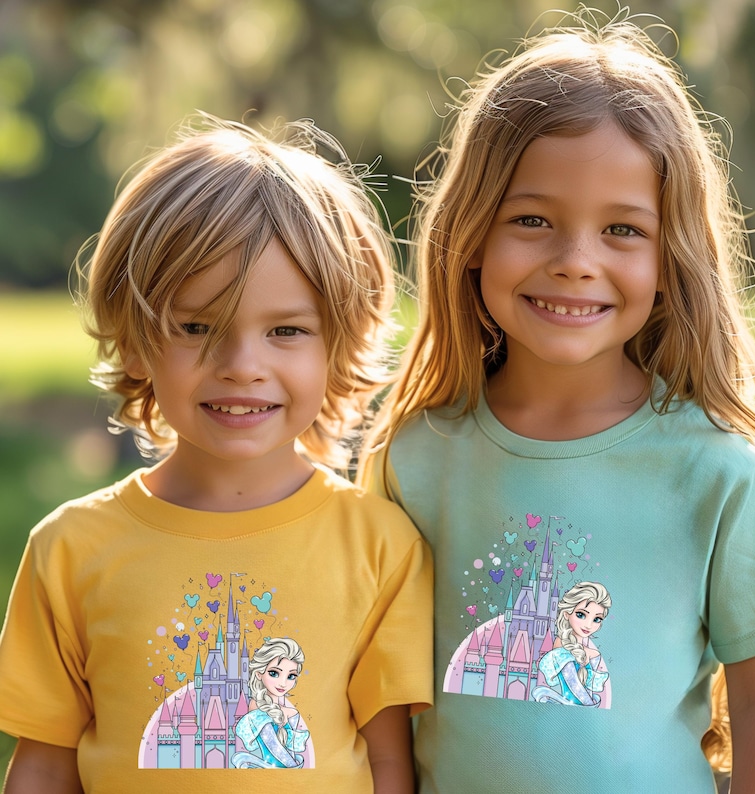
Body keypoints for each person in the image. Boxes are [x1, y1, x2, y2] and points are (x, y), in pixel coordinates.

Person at [362, 6, 755, 793]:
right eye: (532, 220)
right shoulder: (413, 461)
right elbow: (380, 702)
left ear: (673, 258)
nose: (575, 261)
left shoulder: (723, 476)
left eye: (623, 231)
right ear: (470, 235)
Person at [0, 114, 432, 793]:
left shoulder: (380, 546)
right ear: (136, 337)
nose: (241, 365)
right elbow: (45, 765)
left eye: (286, 330)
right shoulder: (70, 550)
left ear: (337, 343)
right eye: (197, 326)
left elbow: (389, 763)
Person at [232, 637, 310, 768]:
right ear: (258, 673)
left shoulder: (291, 712)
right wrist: (294, 768)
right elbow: (274, 747)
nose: (283, 683)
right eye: (274, 673)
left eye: (291, 676)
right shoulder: (257, 705)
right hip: (269, 770)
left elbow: (290, 751)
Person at [531, 581, 611, 707]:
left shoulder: (594, 653)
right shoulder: (562, 644)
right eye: (581, 615)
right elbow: (573, 684)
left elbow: (588, 690)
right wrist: (590, 706)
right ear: (567, 613)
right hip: (567, 706)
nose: (588, 625)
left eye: (597, 619)